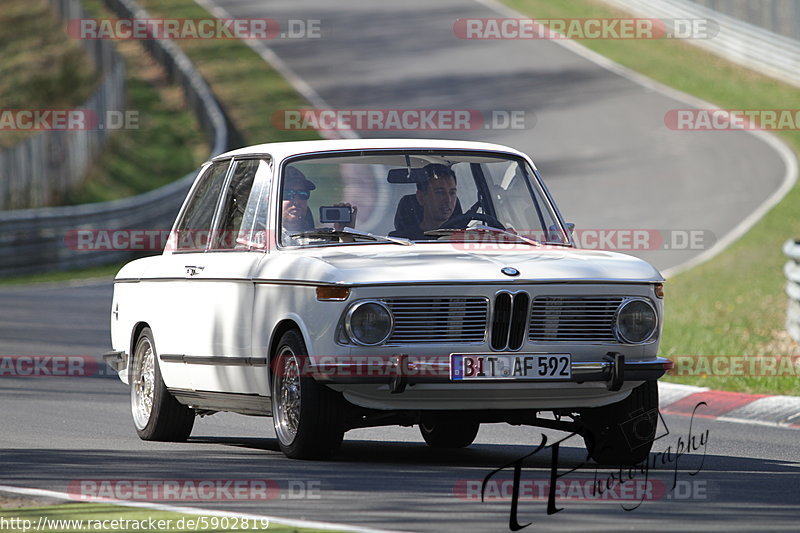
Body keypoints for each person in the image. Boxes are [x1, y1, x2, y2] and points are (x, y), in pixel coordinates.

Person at [281, 166, 357, 245]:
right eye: (288, 194)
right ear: (270, 198)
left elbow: (344, 255)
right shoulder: (268, 238)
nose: (297, 201)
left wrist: (345, 233)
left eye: (302, 194)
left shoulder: (326, 237)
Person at [390, 163, 459, 240]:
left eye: (452, 193)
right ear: (421, 198)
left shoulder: (468, 237)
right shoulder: (399, 242)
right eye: (440, 192)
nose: (448, 200)